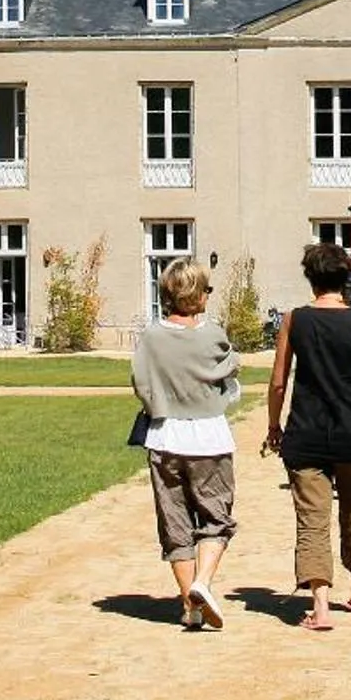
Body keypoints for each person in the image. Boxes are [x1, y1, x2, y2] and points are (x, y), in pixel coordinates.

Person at [265, 240, 351, 631]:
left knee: (312, 520)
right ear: (345, 279)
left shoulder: (294, 319)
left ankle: (320, 607)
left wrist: (274, 425)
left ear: (310, 278)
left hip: (306, 433)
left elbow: (278, 383)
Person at [130, 257, 241, 631]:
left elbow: (141, 384)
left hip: (165, 435)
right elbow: (228, 371)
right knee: (215, 517)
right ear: (197, 294)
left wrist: (159, 407)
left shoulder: (151, 336)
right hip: (208, 434)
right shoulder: (212, 334)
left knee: (174, 522)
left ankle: (190, 607)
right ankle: (202, 583)